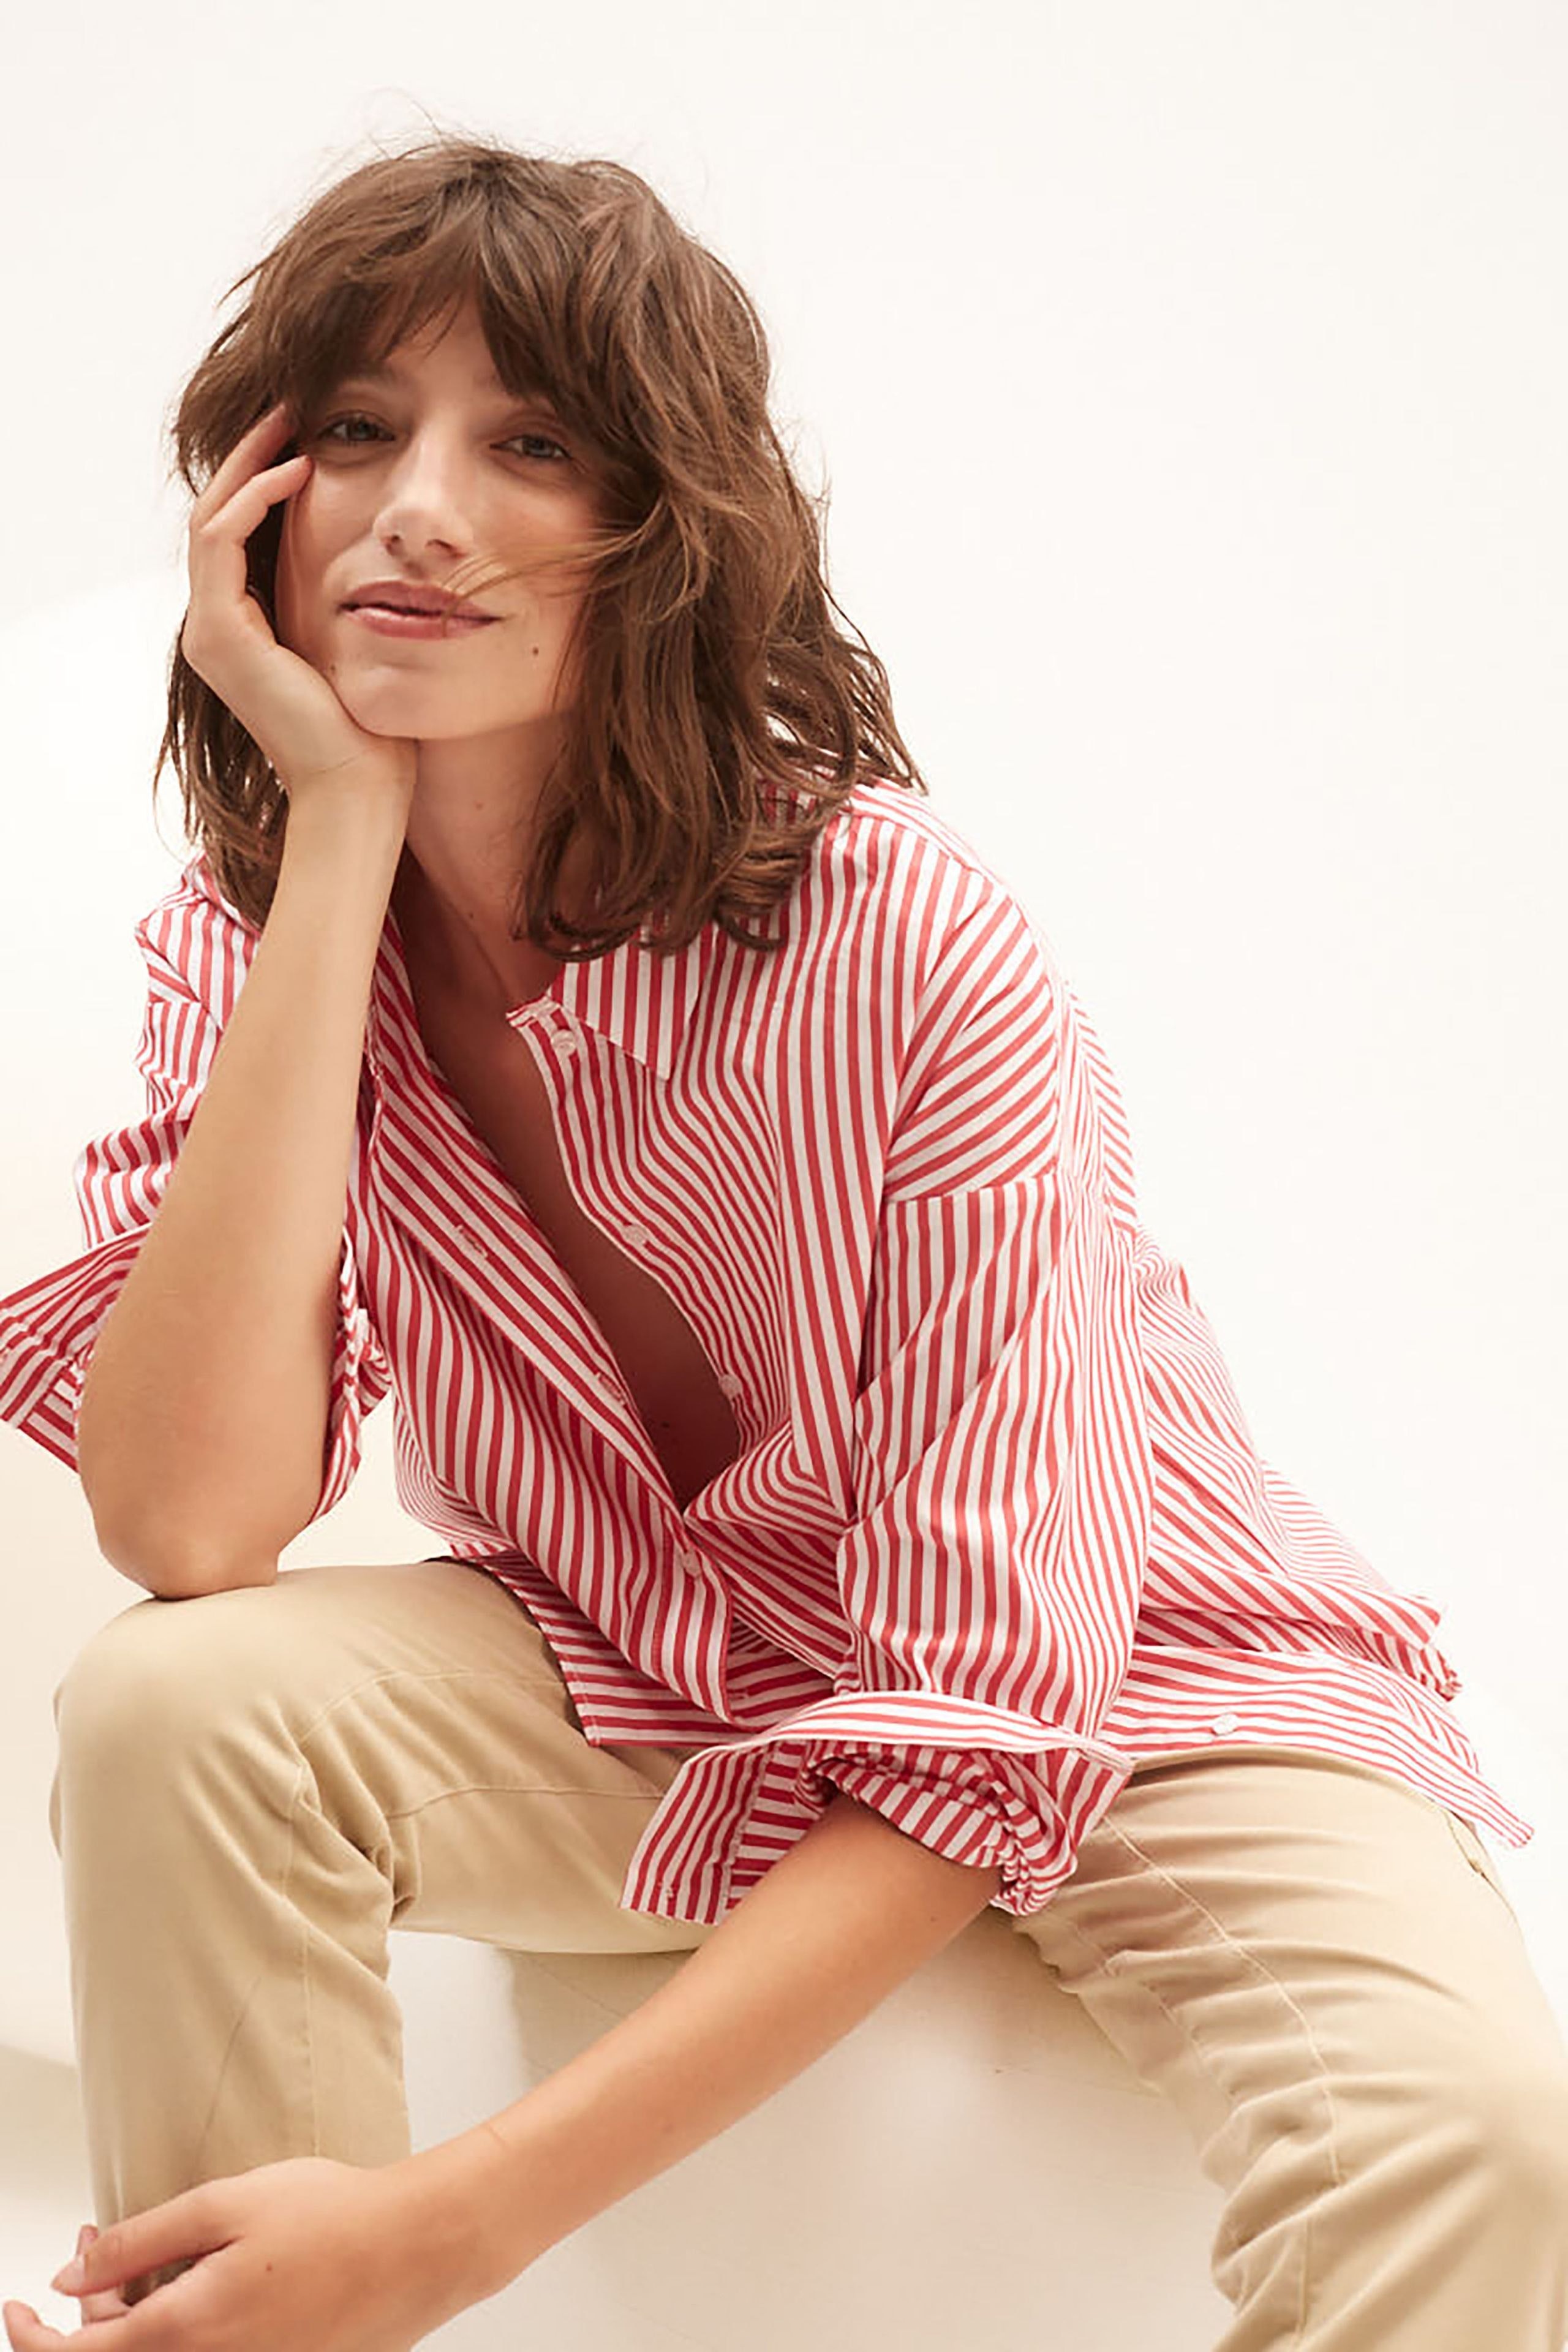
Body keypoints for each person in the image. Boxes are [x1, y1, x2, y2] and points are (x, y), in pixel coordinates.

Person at [0, 130, 1564, 2352]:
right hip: (657, 1668)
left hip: (1133, 1686)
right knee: (180, 1705)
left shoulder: (901, 925)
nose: (418, 508)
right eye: (355, 429)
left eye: (528, 443)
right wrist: (335, 835)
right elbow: (186, 1523)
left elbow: (980, 1715)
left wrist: (451, 2223)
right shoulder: (254, 946)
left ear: (658, 524)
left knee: (1478, 2142)